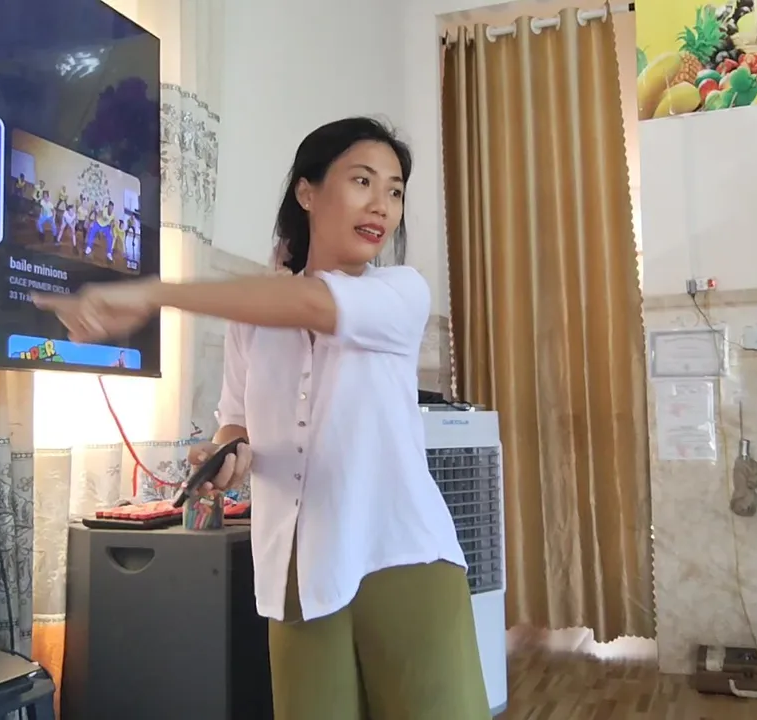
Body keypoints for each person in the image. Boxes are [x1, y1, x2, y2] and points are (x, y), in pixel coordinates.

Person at [34, 117, 491, 720]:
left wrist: (152, 294)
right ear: (307, 191)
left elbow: (308, 301)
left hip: (403, 558)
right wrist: (229, 454)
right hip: (295, 572)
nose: (382, 205)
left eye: (395, 190)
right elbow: (236, 422)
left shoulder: (402, 293)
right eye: (362, 181)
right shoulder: (252, 319)